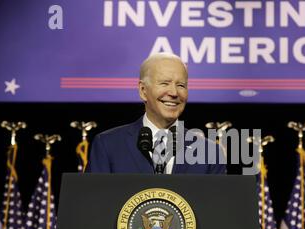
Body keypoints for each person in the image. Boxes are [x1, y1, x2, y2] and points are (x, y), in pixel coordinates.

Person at [87, 53, 226, 174]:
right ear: (143, 90)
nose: (174, 93)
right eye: (164, 83)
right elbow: (93, 201)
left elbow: (217, 203)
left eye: (181, 85)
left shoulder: (210, 152)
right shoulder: (108, 145)